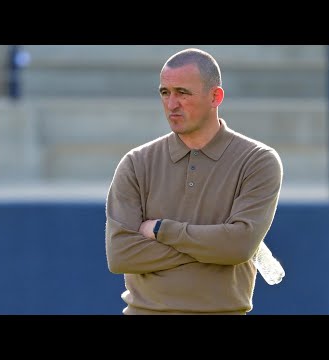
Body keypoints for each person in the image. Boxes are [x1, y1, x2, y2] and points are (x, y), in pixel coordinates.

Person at [105, 47, 283, 315]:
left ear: (216, 96)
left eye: (182, 93)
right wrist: (213, 248)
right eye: (165, 92)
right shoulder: (136, 162)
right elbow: (120, 255)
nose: (171, 103)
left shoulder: (258, 160)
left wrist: (161, 231)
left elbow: (239, 246)